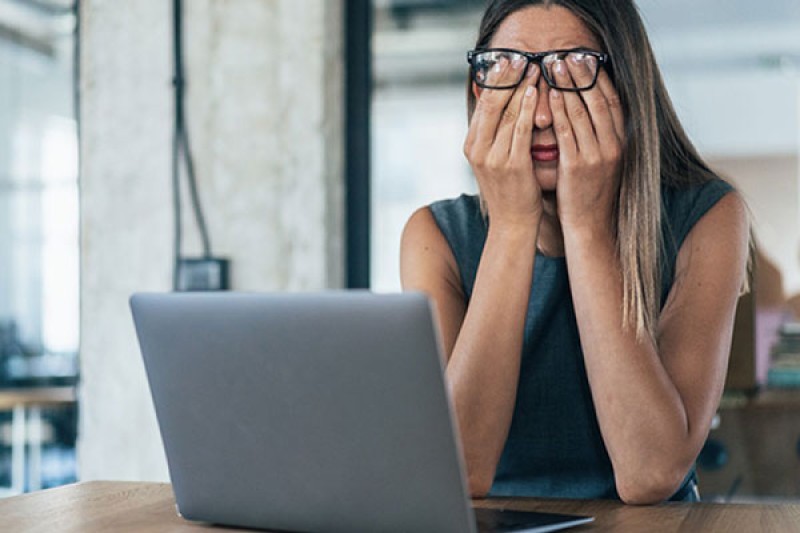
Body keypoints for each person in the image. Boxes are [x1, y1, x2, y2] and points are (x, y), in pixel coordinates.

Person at [400, 0, 750, 505]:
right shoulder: (434, 235)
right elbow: (460, 471)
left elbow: (650, 473)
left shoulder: (710, 216)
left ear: (625, 90)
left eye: (574, 71)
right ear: (480, 90)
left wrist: (585, 226)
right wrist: (513, 226)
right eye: (511, 74)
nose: (541, 113)